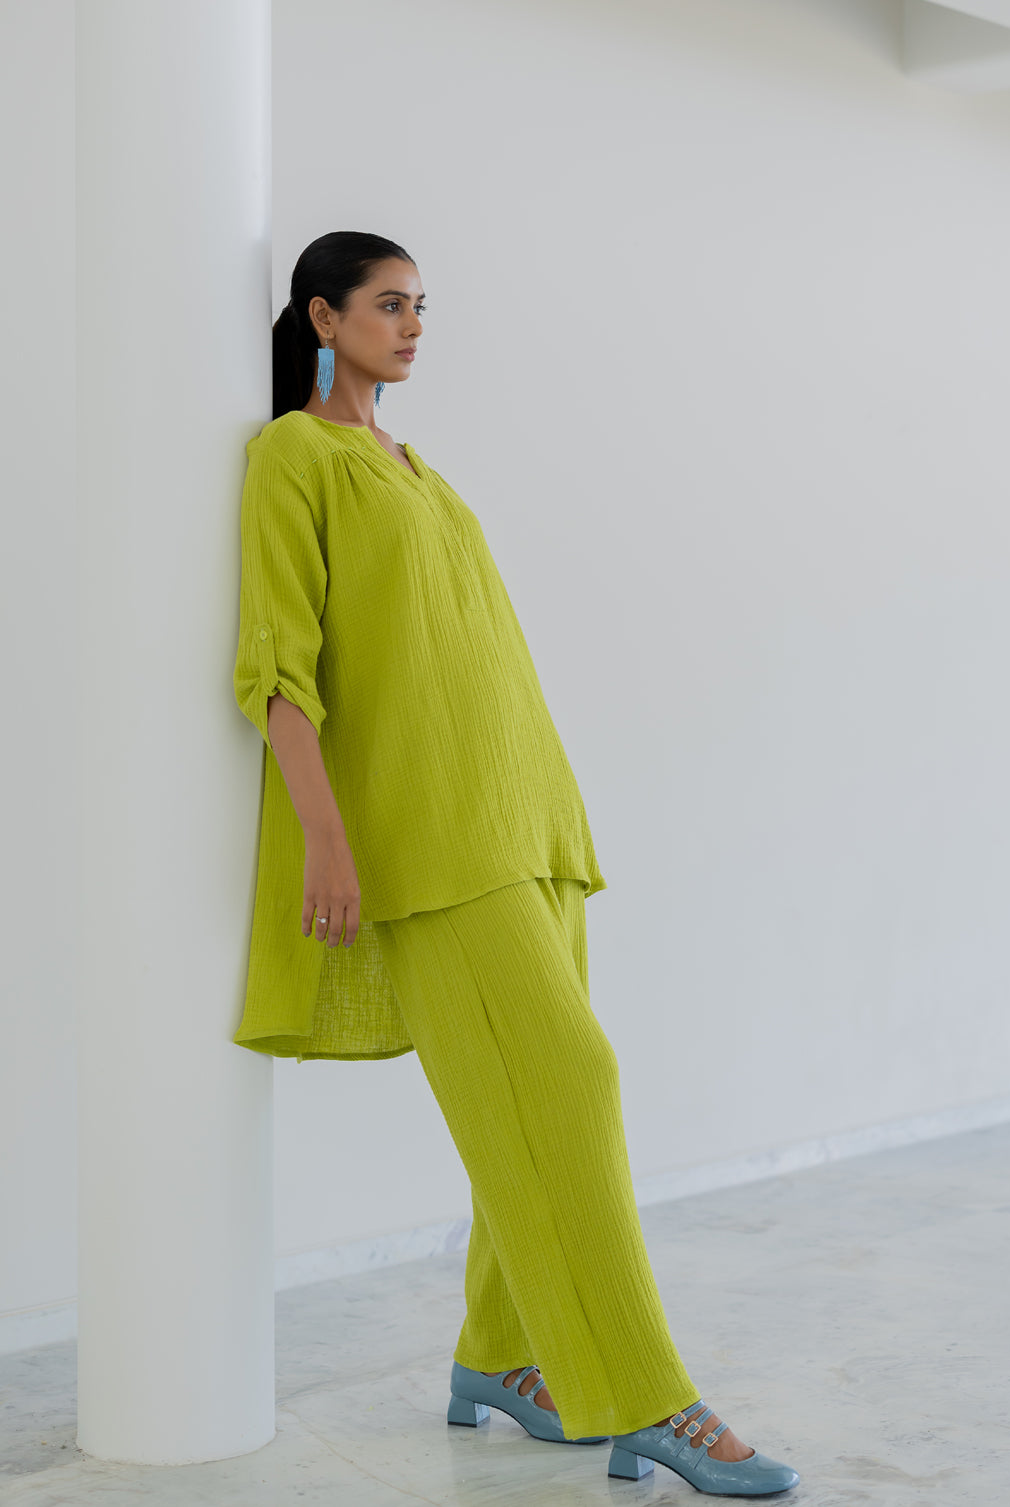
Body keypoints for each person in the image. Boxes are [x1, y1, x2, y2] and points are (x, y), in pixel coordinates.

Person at [231, 230, 800, 1496]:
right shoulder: (294, 456)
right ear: (322, 317)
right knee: (572, 1083)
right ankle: (644, 1395)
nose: (413, 325)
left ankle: (499, 1355)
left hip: (524, 814)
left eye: (421, 305)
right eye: (390, 303)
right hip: (428, 836)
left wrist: (548, 809)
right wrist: (326, 832)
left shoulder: (414, 466)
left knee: (531, 1097)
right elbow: (277, 662)